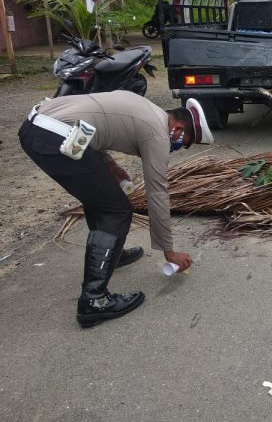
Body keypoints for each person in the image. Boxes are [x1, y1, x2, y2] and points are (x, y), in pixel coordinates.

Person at [18, 91, 214, 328]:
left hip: (36, 125)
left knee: (102, 198)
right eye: (184, 143)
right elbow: (158, 193)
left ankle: (111, 254)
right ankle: (95, 300)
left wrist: (109, 165)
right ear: (179, 129)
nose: (179, 147)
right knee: (116, 210)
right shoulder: (157, 132)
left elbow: (90, 124)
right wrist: (169, 252)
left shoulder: (147, 108)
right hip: (53, 135)